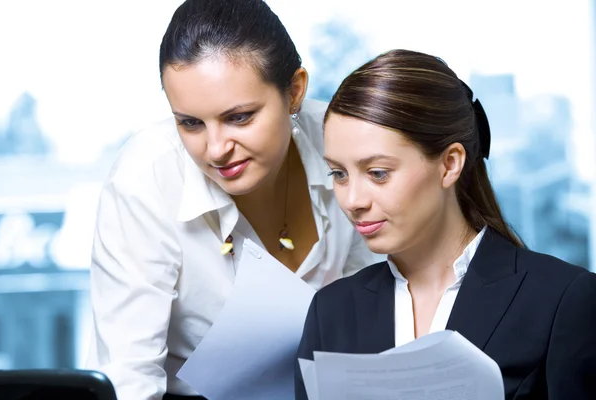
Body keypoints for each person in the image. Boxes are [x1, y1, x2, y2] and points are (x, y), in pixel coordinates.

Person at [87, 1, 380, 399]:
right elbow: (130, 381)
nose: (216, 149)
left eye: (239, 117)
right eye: (190, 123)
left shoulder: (344, 143)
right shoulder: (144, 180)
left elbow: (384, 312)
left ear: (294, 91)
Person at [295, 49, 596, 400]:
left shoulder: (562, 301)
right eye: (339, 174)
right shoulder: (330, 312)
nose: (352, 200)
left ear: (450, 164)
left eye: (378, 173)